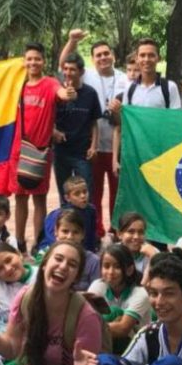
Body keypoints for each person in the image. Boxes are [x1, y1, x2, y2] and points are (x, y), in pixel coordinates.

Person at [58, 30, 128, 238]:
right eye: (98, 55)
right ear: (92, 59)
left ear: (113, 55)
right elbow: (64, 63)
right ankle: (95, 231)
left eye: (106, 53)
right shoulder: (86, 74)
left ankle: (116, 230)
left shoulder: (124, 78)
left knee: (118, 193)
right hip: (93, 147)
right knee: (92, 192)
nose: (103, 58)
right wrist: (72, 41)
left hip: (118, 146)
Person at [10, 43, 76, 251]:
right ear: (24, 61)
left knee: (40, 199)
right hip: (18, 151)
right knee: (20, 198)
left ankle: (38, 242)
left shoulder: (49, 84)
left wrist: (69, 93)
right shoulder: (17, 85)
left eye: (37, 59)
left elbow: (62, 94)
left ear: (43, 61)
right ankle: (20, 242)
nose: (33, 63)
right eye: (29, 59)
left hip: (41, 151)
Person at [111, 38, 181, 174]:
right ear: (137, 58)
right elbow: (124, 126)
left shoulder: (169, 87)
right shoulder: (130, 89)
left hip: (162, 154)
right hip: (135, 155)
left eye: (151, 55)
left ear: (158, 58)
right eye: (142, 55)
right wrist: (116, 112)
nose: (146, 59)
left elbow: (176, 123)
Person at [53, 53, 101, 200]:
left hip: (82, 153)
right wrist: (53, 132)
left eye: (72, 69)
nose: (67, 73)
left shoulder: (90, 93)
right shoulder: (56, 92)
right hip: (61, 152)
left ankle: (85, 222)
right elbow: (47, 119)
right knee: (65, 196)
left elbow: (94, 123)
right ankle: (66, 222)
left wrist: (93, 147)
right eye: (65, 69)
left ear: (81, 72)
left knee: (85, 195)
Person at [86, 244, 151, 352]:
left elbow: (122, 329)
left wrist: (88, 328)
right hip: (104, 343)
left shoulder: (140, 293)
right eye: (106, 266)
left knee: (115, 313)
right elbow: (87, 318)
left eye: (117, 267)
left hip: (135, 347)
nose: (110, 272)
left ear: (129, 270)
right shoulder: (98, 286)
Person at [0, 242, 34, 333]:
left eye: (8, 260)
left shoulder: (39, 278)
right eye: (0, 269)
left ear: (18, 254)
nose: (8, 269)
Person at [40, 175, 97, 253]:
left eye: (85, 191)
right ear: (67, 198)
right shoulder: (57, 215)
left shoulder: (91, 210)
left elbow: (90, 238)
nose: (83, 196)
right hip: (49, 251)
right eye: (77, 194)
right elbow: (51, 240)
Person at [48, 209, 101, 291]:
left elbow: (97, 293)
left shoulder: (93, 262)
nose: (70, 237)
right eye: (65, 231)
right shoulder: (47, 256)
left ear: (83, 234)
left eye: (76, 232)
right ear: (56, 231)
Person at [116, 211, 159, 277]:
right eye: (131, 231)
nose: (136, 237)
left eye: (141, 232)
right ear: (119, 234)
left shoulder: (153, 252)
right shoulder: (112, 253)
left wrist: (154, 257)